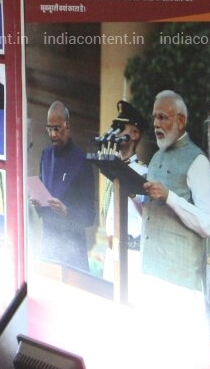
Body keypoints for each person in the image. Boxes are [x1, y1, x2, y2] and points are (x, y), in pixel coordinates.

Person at [139, 90, 210, 367]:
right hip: (151, 274)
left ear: (181, 121)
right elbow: (155, 213)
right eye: (154, 117)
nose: (156, 124)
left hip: (179, 284)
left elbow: (209, 224)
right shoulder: (156, 158)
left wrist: (169, 196)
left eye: (163, 117)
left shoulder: (197, 162)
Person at [31, 101, 96, 272]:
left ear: (67, 125)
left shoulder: (81, 160)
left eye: (57, 128)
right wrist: (38, 203)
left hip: (72, 250)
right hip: (49, 244)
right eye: (49, 129)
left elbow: (90, 215)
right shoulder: (45, 155)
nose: (53, 134)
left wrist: (66, 211)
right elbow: (43, 199)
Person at [100, 100, 149, 283]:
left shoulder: (143, 172)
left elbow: (147, 216)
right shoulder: (112, 168)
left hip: (132, 252)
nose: (116, 133)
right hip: (112, 250)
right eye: (115, 127)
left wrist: (133, 193)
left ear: (135, 134)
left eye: (121, 128)